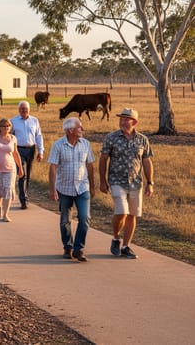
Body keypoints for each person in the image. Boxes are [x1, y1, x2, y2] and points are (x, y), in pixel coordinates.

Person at [99, 108, 155, 259]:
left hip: (136, 183)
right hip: (117, 181)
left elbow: (147, 161)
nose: (122, 122)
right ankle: (116, 238)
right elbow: (103, 159)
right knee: (121, 211)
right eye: (121, 119)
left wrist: (150, 182)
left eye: (126, 119)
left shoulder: (142, 140)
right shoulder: (111, 137)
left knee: (132, 214)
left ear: (134, 122)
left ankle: (126, 246)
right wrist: (102, 181)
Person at [48, 117, 96, 261]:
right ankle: (67, 247)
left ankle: (78, 248)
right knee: (65, 220)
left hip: (82, 187)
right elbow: (53, 167)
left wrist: (92, 186)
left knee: (85, 218)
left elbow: (90, 165)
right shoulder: (58, 145)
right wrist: (52, 189)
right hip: (64, 188)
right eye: (80, 127)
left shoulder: (86, 144)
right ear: (70, 130)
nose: (82, 130)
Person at [11, 101, 44, 209]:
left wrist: (41, 151)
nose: (23, 111)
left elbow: (38, 136)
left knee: (28, 176)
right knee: (22, 174)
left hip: (31, 149)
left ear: (29, 110)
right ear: (18, 110)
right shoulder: (13, 121)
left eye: (25, 109)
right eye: (21, 109)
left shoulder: (34, 120)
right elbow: (10, 136)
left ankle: (25, 195)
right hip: (18, 150)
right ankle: (23, 200)